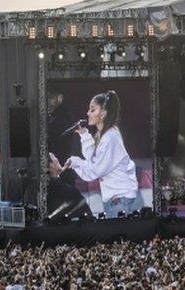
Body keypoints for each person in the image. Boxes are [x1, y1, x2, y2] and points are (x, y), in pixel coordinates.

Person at [50, 90, 139, 218]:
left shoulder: (110, 137)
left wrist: (76, 162)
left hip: (119, 199)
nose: (88, 113)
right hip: (116, 197)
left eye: (92, 110)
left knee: (118, 237)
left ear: (103, 113)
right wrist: (84, 135)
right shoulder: (104, 134)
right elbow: (94, 157)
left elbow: (95, 170)